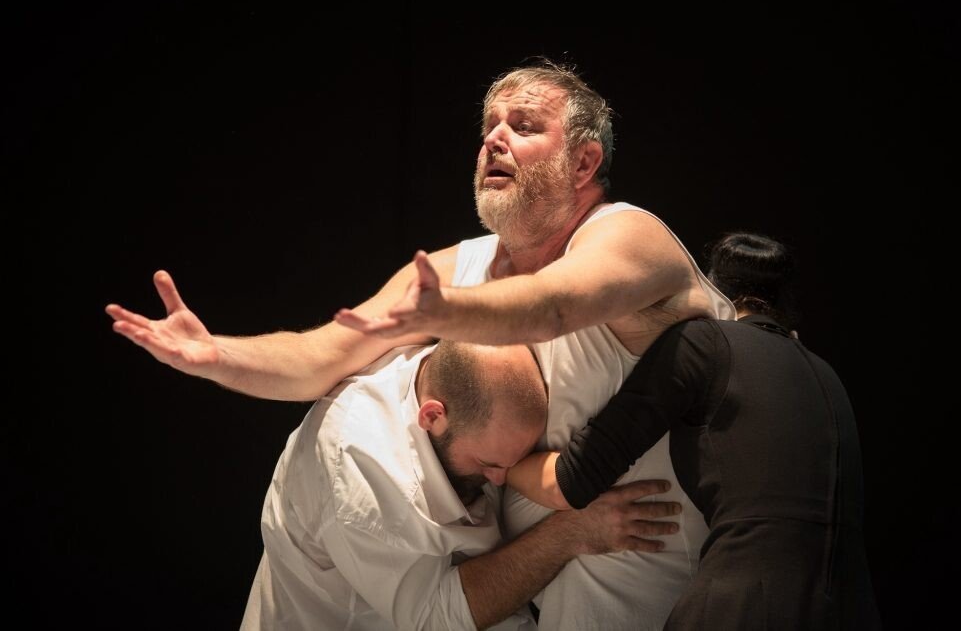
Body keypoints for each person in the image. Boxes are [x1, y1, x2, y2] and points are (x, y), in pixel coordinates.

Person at [107, 58, 736, 628]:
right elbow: (320, 358)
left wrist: (449, 310)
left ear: (583, 163)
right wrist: (216, 356)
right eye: (489, 126)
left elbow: (553, 305)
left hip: (655, 575)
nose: (494, 139)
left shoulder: (628, 235)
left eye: (523, 125)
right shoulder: (458, 269)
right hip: (540, 590)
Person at [506, 232, 883, 630]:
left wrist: (500, 468)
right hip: (853, 609)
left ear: (710, 290)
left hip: (743, 607)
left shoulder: (704, 344)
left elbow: (571, 481)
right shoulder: (827, 373)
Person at [243, 339, 681, 630]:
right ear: (433, 416)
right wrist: (572, 532)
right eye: (489, 464)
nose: (502, 479)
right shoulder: (360, 471)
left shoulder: (451, 381)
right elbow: (433, 618)